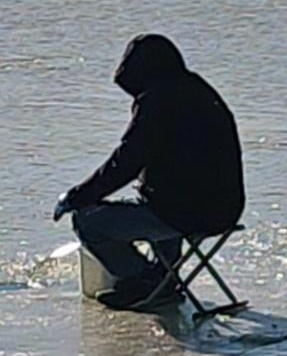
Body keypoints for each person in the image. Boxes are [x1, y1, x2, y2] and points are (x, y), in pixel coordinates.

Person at [56, 33, 246, 311]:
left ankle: (145, 281)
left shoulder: (158, 101)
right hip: (225, 209)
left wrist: (77, 197)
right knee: (159, 200)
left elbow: (125, 162)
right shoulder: (199, 90)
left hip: (186, 213)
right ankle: (162, 279)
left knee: (88, 222)